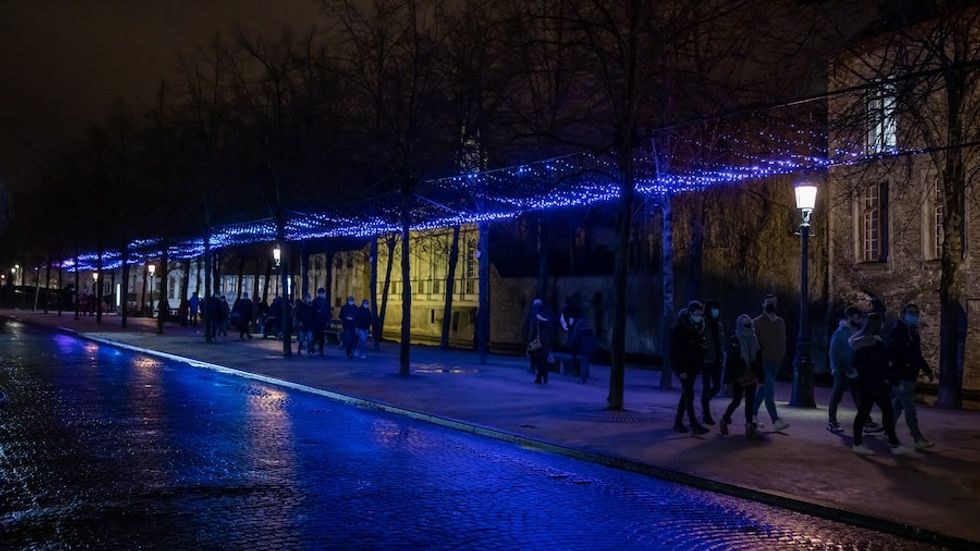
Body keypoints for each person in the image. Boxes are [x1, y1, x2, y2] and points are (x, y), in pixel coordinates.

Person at [850, 313, 912, 456]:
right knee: (886, 412)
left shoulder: (861, 342)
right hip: (877, 383)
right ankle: (893, 444)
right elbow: (883, 366)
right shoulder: (877, 344)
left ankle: (858, 443)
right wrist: (895, 382)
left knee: (864, 413)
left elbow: (854, 363)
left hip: (865, 383)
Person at [828, 307, 882, 435]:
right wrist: (836, 368)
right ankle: (832, 422)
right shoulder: (840, 333)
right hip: (841, 369)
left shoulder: (856, 332)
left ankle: (867, 421)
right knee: (837, 395)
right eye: (857, 317)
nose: (859, 320)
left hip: (853, 369)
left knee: (859, 396)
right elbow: (833, 352)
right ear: (850, 317)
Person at [887, 304, 935, 449]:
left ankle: (887, 429)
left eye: (916, 313)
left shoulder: (913, 332)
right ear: (903, 314)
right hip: (902, 377)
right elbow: (891, 356)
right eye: (910, 312)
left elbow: (916, 354)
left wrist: (927, 370)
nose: (913, 315)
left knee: (897, 407)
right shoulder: (897, 332)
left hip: (910, 376)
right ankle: (917, 438)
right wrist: (894, 378)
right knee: (909, 408)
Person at [719, 315, 762, 438]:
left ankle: (749, 426)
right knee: (736, 401)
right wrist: (729, 380)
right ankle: (725, 419)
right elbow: (730, 362)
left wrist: (760, 374)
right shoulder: (734, 340)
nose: (748, 328)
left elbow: (759, 359)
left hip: (751, 375)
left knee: (750, 402)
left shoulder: (755, 340)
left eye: (749, 325)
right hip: (738, 376)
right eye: (745, 325)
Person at [752, 295, 790, 432]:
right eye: (768, 302)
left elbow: (783, 341)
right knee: (769, 390)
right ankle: (775, 420)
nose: (771, 304)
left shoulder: (781, 322)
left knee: (763, 390)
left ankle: (752, 414)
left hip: (776, 362)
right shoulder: (756, 322)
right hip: (764, 361)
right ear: (763, 304)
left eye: (773, 302)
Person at [672, 301, 709, 435]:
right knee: (689, 395)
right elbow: (676, 351)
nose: (699, 316)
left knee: (686, 395)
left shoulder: (697, 327)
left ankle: (678, 422)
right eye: (696, 313)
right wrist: (680, 370)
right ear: (690, 313)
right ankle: (693, 424)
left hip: (693, 367)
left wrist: (702, 349)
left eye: (700, 313)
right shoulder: (680, 329)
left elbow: (696, 348)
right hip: (684, 368)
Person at [700, 300, 725, 425]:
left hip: (716, 361)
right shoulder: (703, 323)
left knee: (716, 387)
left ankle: (704, 401)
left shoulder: (719, 325)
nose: (716, 311)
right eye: (714, 308)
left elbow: (721, 341)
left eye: (717, 309)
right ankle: (706, 414)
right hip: (706, 361)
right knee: (706, 388)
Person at [526, 303, 556, 384]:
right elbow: (552, 333)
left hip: (538, 343)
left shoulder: (536, 320)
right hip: (546, 343)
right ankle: (544, 377)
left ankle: (539, 378)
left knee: (538, 360)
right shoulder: (548, 320)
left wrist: (530, 343)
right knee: (544, 360)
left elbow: (532, 333)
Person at [568, 315, 596, 383]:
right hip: (590, 347)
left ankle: (582, 379)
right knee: (586, 362)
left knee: (583, 363)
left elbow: (575, 337)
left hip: (583, 347)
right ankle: (586, 375)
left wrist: (571, 344)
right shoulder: (588, 325)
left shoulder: (578, 325)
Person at [312, 288, 330, 357]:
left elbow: (327, 312)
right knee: (317, 336)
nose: (322, 294)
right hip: (317, 322)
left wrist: (327, 320)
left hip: (322, 322)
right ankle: (314, 347)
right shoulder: (316, 301)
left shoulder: (324, 302)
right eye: (321, 293)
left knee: (321, 336)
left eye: (323, 293)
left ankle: (320, 349)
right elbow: (313, 312)